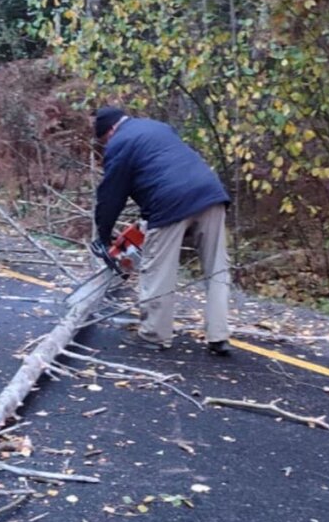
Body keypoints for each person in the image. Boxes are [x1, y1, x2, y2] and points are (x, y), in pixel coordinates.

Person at [92, 106, 232, 355]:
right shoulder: (158, 127)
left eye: (104, 141)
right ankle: (219, 335)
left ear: (110, 131)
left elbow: (111, 195)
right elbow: (165, 169)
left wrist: (102, 236)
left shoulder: (119, 143)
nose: (106, 145)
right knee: (217, 269)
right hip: (211, 194)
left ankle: (155, 334)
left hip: (170, 203)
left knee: (158, 270)